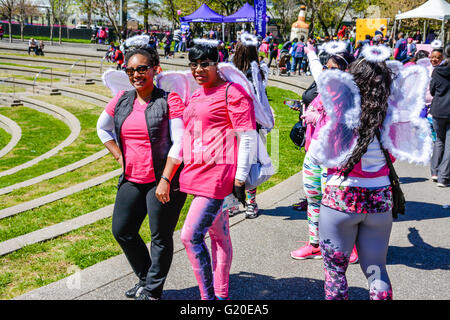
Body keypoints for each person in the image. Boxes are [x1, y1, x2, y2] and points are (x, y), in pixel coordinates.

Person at [96, 46, 187, 300]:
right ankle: (146, 280)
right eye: (130, 70)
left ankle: (153, 291)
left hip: (163, 179)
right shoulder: (122, 99)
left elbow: (179, 143)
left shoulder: (170, 100)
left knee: (160, 237)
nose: (136, 74)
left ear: (155, 70)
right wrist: (118, 155)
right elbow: (102, 129)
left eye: (142, 69)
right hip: (132, 178)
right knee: (122, 230)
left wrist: (166, 179)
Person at [308, 49, 396, 300]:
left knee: (335, 273)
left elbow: (316, 155)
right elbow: (393, 156)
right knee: (377, 270)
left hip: (341, 198)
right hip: (379, 199)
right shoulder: (388, 113)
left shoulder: (338, 111)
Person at [179, 39, 257, 300]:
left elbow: (246, 136)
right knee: (219, 235)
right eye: (193, 65)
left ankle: (208, 299)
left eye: (204, 64)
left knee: (190, 237)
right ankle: (221, 295)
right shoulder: (197, 92)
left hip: (217, 175)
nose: (198, 70)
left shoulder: (231, 92)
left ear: (217, 64)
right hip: (197, 171)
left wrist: (240, 178)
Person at [290, 42, 358, 264]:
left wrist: (317, 118)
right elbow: (316, 68)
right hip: (313, 154)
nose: (329, 72)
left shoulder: (352, 95)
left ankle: (350, 247)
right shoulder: (324, 88)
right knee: (313, 198)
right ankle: (315, 244)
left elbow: (347, 125)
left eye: (335, 69)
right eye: (327, 68)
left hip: (335, 159)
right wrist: (310, 52)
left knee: (338, 204)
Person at [228, 33, 270, 219]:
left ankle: (236, 203)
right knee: (250, 164)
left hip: (235, 124)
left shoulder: (232, 73)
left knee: (235, 163)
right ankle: (250, 203)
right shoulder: (258, 72)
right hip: (254, 124)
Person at [429, 45, 450, 187]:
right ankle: (444, 177)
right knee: (448, 144)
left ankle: (435, 172)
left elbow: (432, 91)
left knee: (439, 141)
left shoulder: (437, 71)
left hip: (437, 110)